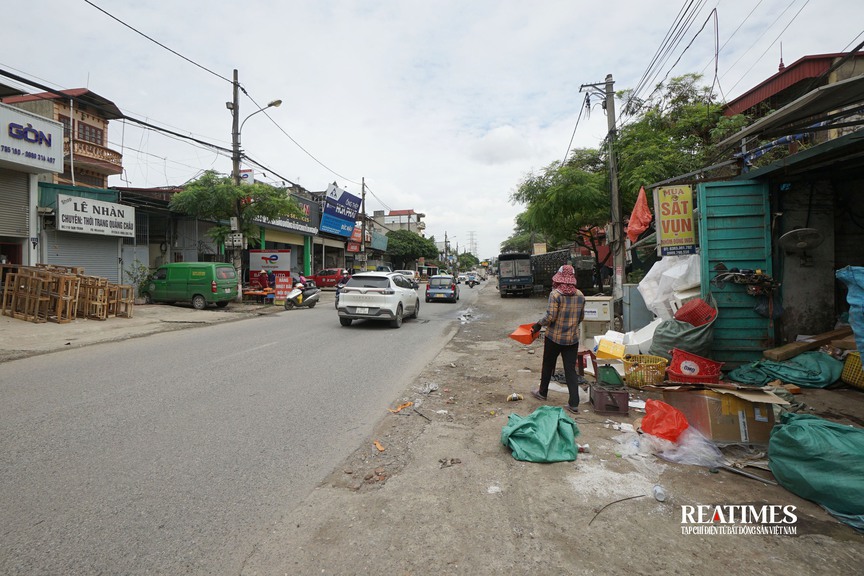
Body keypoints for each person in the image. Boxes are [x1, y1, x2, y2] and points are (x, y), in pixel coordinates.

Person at [528, 265, 586, 414]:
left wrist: (537, 325)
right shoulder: (580, 295)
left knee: (548, 364)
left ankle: (542, 392)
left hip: (554, 337)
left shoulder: (555, 295)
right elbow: (581, 317)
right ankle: (574, 403)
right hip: (572, 339)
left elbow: (550, 317)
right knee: (570, 370)